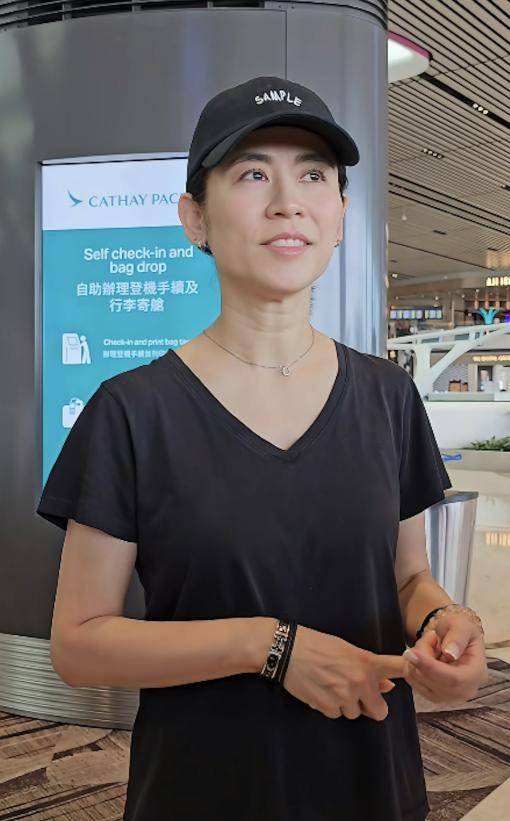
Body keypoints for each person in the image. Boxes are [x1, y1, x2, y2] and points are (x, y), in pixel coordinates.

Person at [36, 76, 488, 821]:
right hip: (204, 787)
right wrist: (269, 646)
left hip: (372, 781)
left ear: (340, 215)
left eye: (313, 175)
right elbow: (79, 645)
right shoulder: (133, 412)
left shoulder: (387, 395)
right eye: (252, 174)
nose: (288, 202)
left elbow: (408, 577)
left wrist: (445, 621)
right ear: (195, 217)